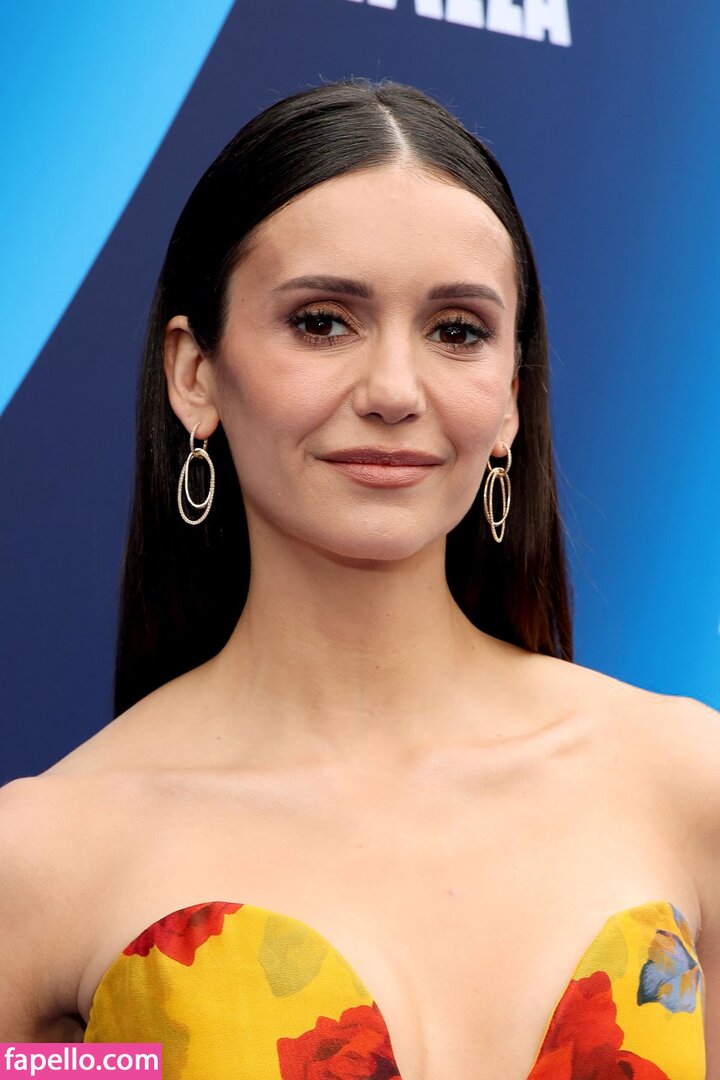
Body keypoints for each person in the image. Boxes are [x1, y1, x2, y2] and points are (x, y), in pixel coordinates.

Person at [0, 80, 717, 1079]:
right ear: (194, 373)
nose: (393, 391)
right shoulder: (43, 858)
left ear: (511, 397)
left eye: (457, 330)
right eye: (323, 321)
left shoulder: (685, 779)